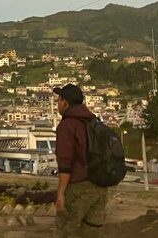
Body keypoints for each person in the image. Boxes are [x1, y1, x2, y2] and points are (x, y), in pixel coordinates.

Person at [54, 84, 108, 237]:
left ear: (65, 102)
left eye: (59, 100)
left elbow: (65, 163)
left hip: (78, 187)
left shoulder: (67, 126)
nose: (57, 103)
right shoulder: (93, 122)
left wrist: (61, 194)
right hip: (100, 187)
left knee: (66, 231)